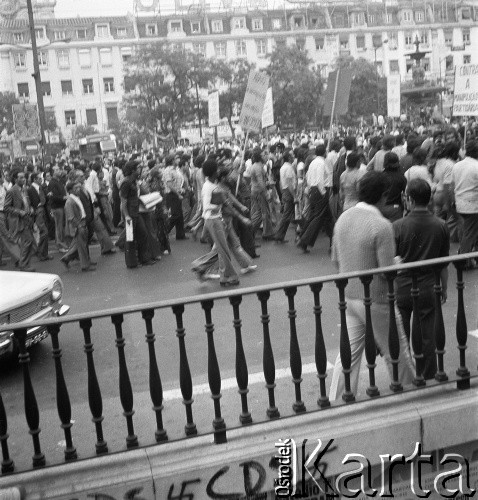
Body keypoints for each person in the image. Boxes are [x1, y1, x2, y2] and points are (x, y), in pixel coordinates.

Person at [329, 171, 415, 400]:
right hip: (376, 298)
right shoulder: (381, 225)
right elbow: (388, 271)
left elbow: (336, 260)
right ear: (384, 196)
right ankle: (409, 393)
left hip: (349, 295)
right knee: (396, 350)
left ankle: (337, 399)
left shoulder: (343, 219)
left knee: (349, 354)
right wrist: (397, 262)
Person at [393, 178, 450, 380]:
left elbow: (393, 260)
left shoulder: (398, 226)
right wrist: (444, 288)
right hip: (428, 285)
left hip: (402, 287)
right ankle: (427, 373)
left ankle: (406, 376)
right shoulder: (441, 225)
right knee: (427, 334)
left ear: (408, 199)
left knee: (402, 335)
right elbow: (443, 264)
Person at [296, 144, 334, 253]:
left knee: (326, 218)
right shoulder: (320, 163)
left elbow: (308, 176)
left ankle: (333, 242)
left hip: (315, 190)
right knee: (317, 217)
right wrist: (324, 192)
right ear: (324, 152)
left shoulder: (313, 162)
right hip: (320, 190)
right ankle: (304, 240)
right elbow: (319, 180)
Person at [120, 161, 156, 268]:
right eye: (138, 168)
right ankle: (131, 262)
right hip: (130, 214)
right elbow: (124, 201)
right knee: (130, 238)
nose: (139, 170)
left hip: (137, 212)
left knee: (143, 234)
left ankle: (144, 259)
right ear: (132, 170)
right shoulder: (126, 182)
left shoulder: (134, 181)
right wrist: (126, 216)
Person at [451, 139, 478, 270]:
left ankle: (469, 257)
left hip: (460, 203)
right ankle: (461, 259)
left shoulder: (457, 165)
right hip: (473, 205)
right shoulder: (476, 166)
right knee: (470, 233)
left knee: (469, 231)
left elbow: (452, 185)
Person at [4, 170, 36, 272]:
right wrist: (19, 212)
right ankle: (23, 265)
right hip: (19, 221)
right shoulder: (11, 191)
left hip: (27, 219)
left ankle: (24, 264)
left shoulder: (24, 189)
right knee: (28, 241)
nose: (24, 179)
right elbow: (7, 207)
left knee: (29, 242)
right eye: (21, 178)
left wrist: (30, 208)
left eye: (24, 177)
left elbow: (27, 202)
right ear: (15, 179)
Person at [61, 182, 96, 272]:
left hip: (83, 223)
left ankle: (66, 258)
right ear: (70, 191)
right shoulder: (69, 202)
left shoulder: (77, 198)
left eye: (79, 187)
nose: (78, 189)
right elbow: (71, 217)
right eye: (76, 188)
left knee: (79, 245)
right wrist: (79, 225)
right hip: (79, 226)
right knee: (82, 247)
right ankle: (85, 265)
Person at [250, 148, 274, 241]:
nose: (266, 156)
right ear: (260, 157)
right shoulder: (257, 167)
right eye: (264, 155)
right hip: (259, 192)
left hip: (257, 191)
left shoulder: (258, 166)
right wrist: (266, 193)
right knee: (264, 213)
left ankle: (252, 231)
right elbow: (260, 182)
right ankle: (266, 233)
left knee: (260, 213)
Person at [27, 172, 52, 262]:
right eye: (39, 178)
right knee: (44, 232)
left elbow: (43, 199)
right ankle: (40, 253)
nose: (41, 180)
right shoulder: (30, 189)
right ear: (34, 180)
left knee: (45, 232)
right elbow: (29, 202)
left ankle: (44, 254)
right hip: (37, 212)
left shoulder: (40, 188)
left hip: (43, 211)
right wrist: (32, 209)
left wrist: (47, 196)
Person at [274, 149, 297, 243]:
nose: (293, 157)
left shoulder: (284, 167)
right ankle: (279, 235)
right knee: (286, 215)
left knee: (287, 215)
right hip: (288, 192)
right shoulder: (288, 168)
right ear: (289, 158)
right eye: (292, 156)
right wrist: (294, 196)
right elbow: (289, 183)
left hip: (285, 191)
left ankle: (280, 236)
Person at [0, 169, 20, 267]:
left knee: (4, 237)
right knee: (7, 237)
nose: (3, 179)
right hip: (0, 214)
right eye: (2, 177)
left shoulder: (4, 186)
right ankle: (18, 258)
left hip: (5, 213)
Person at [47, 165, 68, 252]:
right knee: (58, 227)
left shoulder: (58, 181)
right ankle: (60, 245)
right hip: (57, 207)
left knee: (61, 227)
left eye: (59, 169)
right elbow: (53, 197)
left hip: (61, 206)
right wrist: (64, 198)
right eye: (57, 170)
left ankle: (62, 243)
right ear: (53, 172)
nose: (59, 171)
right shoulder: (52, 183)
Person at [381, 152, 407, 223]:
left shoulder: (380, 176)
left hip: (381, 207)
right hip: (395, 209)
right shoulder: (401, 177)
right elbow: (406, 193)